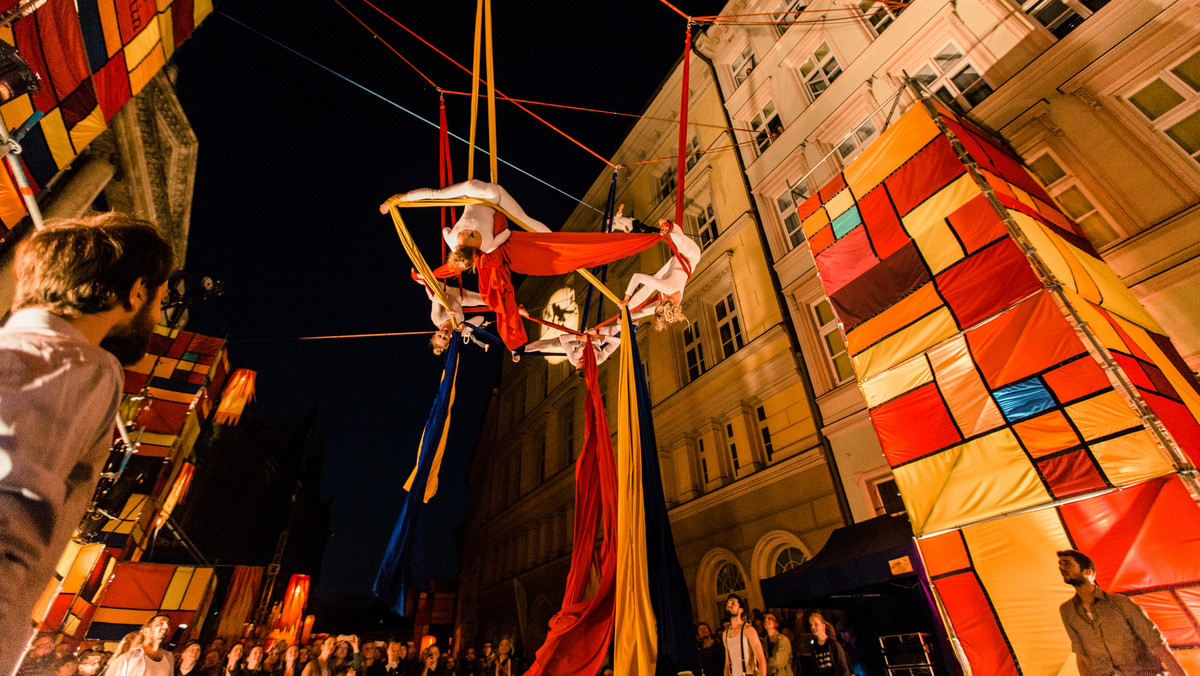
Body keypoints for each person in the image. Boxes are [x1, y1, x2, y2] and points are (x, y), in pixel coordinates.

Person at [0, 215, 174, 671]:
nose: (157, 317)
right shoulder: (82, 364)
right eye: (159, 300)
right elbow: (12, 513)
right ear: (137, 292)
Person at [1057, 549, 1186, 676]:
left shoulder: (1121, 603)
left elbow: (1155, 642)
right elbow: (1081, 654)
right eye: (1060, 564)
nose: (1062, 567)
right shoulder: (1067, 611)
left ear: (1088, 572)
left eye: (1067, 563)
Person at [385, 180, 552, 272]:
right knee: (435, 194)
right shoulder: (451, 240)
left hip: (494, 195)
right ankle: (395, 199)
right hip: (469, 189)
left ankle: (554, 241)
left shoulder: (487, 247)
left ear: (473, 258)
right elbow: (445, 229)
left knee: (526, 220)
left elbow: (507, 232)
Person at [622, 220, 702, 330]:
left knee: (678, 239)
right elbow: (637, 277)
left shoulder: (673, 302)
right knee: (678, 238)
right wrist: (626, 299)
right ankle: (668, 226)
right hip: (690, 256)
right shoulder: (668, 288)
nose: (658, 303)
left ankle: (669, 227)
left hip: (680, 261)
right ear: (665, 305)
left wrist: (625, 315)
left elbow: (643, 312)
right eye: (660, 304)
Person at [518, 326, 621, 369]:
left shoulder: (574, 360)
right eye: (581, 362)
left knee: (555, 343)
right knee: (615, 330)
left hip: (579, 341)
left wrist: (583, 337)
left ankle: (520, 350)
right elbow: (617, 342)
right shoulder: (599, 359)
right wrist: (596, 336)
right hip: (597, 338)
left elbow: (562, 339)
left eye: (578, 362)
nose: (579, 360)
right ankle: (629, 325)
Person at [105, 615, 174, 676]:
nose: (166, 626)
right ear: (146, 630)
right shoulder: (129, 657)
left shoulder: (168, 658)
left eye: (168, 624)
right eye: (160, 623)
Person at [724, 595, 766, 676]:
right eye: (728, 604)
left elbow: (761, 660)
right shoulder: (725, 634)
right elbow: (727, 664)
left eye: (733, 603)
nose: (729, 605)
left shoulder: (748, 630)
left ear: (741, 610)